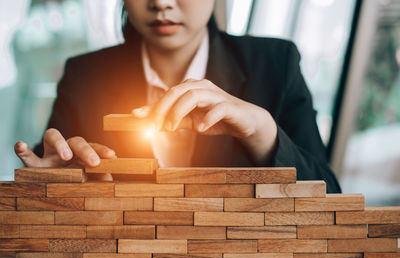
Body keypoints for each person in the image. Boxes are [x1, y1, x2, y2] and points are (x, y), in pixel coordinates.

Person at [14, 0, 341, 193]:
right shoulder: (84, 75)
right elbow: (50, 168)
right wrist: (47, 185)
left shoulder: (275, 63)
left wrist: (263, 132)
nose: (162, 3)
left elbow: (330, 195)